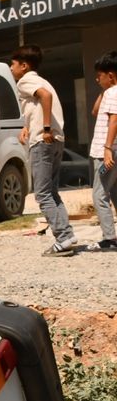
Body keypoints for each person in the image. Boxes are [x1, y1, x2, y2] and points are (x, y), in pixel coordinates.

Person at [10, 44, 76, 257]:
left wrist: (45, 128)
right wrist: (27, 127)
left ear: (24, 65)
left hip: (43, 141)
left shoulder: (25, 81)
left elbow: (45, 97)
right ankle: (67, 235)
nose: (11, 68)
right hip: (55, 140)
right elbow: (37, 105)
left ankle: (63, 237)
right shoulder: (43, 80)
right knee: (51, 192)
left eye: (13, 64)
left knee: (42, 194)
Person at [89, 51, 117, 252]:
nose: (97, 79)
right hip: (111, 151)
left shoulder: (113, 93)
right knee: (114, 191)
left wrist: (107, 149)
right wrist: (104, 89)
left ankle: (110, 239)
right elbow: (95, 111)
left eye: (100, 75)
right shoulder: (109, 93)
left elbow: (114, 120)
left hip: (106, 154)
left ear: (111, 75)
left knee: (99, 194)